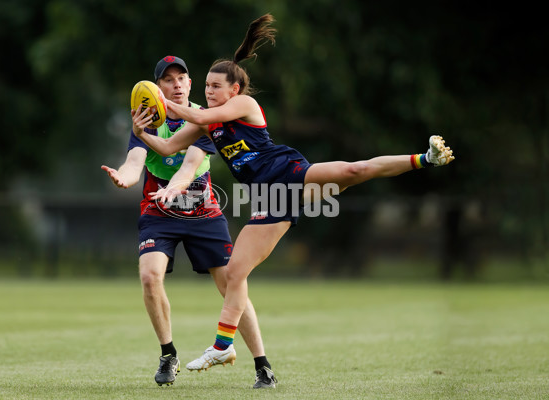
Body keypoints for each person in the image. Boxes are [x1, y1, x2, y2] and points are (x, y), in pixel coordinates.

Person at [130, 14, 455, 377]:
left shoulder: (243, 107)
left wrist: (161, 100)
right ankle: (224, 349)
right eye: (206, 86)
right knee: (236, 271)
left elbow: (191, 112)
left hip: (288, 174)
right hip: (270, 201)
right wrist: (141, 132)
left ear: (233, 90)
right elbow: (167, 144)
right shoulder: (204, 122)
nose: (208, 92)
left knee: (352, 171)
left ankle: (425, 158)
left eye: (215, 86)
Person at [101, 55, 277, 389]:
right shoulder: (147, 119)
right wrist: (123, 177)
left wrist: (174, 188)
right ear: (157, 87)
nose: (176, 84)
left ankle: (262, 365)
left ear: (190, 83)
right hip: (158, 210)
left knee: (231, 284)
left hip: (202, 209)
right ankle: (168, 354)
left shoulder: (205, 118)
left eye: (181, 78)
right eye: (167, 80)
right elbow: (134, 161)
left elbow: (186, 167)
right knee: (150, 276)